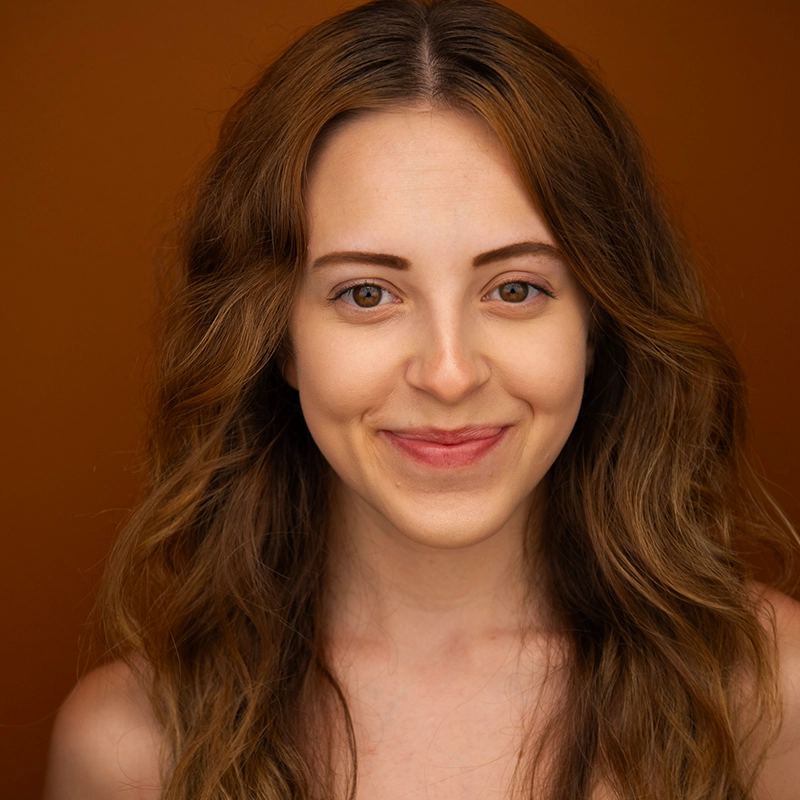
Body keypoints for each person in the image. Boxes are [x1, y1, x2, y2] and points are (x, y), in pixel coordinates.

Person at [44, 0, 800, 798]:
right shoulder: (129, 749)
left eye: (515, 287)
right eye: (368, 294)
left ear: (596, 324)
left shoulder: (772, 697)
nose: (448, 373)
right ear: (279, 340)